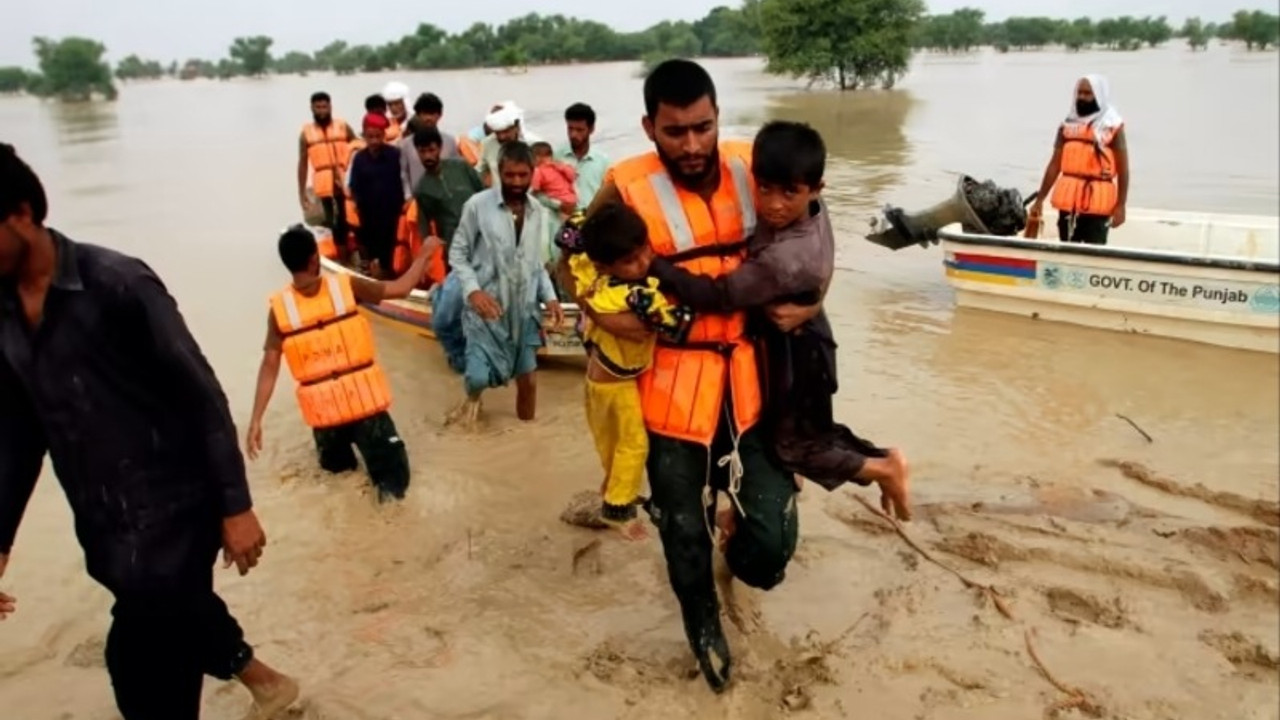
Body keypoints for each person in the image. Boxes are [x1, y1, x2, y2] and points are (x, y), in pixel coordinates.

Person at [566, 59, 853, 693]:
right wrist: (599, 315)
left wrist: (815, 298)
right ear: (649, 128)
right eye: (675, 132)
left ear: (719, 116)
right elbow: (575, 255)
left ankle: (739, 553)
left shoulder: (759, 165)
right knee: (682, 535)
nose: (692, 145)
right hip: (671, 388)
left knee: (774, 548)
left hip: (753, 382)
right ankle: (703, 627)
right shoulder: (623, 184)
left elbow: (818, 228)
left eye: (702, 127)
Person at [0, 144, 298, 719]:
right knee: (173, 620)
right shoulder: (4, 316)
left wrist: (236, 506)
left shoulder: (117, 284)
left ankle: (265, 684)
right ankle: (267, 684)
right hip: (106, 520)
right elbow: (17, 433)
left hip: (178, 507)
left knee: (139, 659)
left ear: (20, 214)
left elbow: (202, 394)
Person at [646, 121, 911, 508]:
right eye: (764, 188)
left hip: (800, 352)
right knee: (812, 430)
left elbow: (717, 294)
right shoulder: (814, 208)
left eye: (789, 193)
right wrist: (817, 300)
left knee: (794, 448)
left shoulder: (784, 260)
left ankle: (883, 469)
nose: (773, 204)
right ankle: (883, 460)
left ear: (816, 188)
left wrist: (654, 264)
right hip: (808, 332)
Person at [246, 226, 431, 502]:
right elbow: (401, 288)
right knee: (395, 487)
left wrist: (256, 419)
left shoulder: (280, 310)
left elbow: (269, 366)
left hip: (326, 420)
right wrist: (425, 254)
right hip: (365, 407)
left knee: (339, 486)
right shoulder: (346, 285)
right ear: (314, 259)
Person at [559, 205, 693, 539]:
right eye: (631, 260)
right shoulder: (637, 296)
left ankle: (610, 488)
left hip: (596, 384)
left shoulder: (592, 274)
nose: (645, 261)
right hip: (617, 387)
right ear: (607, 264)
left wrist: (581, 228)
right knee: (634, 445)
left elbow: (570, 236)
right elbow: (675, 326)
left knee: (610, 445)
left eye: (645, 250)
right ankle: (617, 509)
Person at [446, 141, 564, 427]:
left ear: (532, 173)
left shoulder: (538, 212)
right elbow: (457, 253)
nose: (516, 182)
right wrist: (473, 291)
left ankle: (528, 435)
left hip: (523, 311)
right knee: (476, 377)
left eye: (522, 175)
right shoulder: (477, 206)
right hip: (487, 308)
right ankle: (472, 401)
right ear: (499, 171)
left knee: (529, 380)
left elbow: (534, 262)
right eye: (510, 175)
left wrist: (550, 297)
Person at [1029, 74, 1129, 245]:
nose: (1082, 97)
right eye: (1079, 93)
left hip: (1098, 203)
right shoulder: (1067, 126)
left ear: (1098, 96)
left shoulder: (1112, 126)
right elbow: (1055, 165)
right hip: (1069, 204)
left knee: (1094, 253)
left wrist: (1120, 205)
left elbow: (1123, 169)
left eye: (1088, 93)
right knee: (1067, 249)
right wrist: (1040, 199)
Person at [412, 127, 484, 267]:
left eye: (431, 150)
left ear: (439, 148)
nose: (428, 156)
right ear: (417, 153)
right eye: (422, 151)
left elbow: (484, 195)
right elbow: (424, 227)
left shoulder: (461, 167)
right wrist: (427, 259)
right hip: (453, 247)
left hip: (481, 236)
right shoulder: (422, 189)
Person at [348, 112, 404, 277]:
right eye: (370, 136)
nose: (374, 141)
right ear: (364, 136)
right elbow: (354, 186)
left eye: (378, 136)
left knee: (393, 250)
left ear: (384, 135)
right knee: (371, 250)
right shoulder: (359, 158)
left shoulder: (395, 155)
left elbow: (403, 181)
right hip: (369, 215)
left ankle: (393, 277)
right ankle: (375, 277)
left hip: (392, 213)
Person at [297, 91, 356, 242]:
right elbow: (303, 164)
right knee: (332, 222)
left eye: (325, 107)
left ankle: (354, 248)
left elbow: (357, 147)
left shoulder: (343, 126)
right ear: (311, 108)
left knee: (351, 217)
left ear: (330, 107)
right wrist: (302, 192)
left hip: (346, 180)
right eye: (318, 107)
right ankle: (338, 250)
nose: (322, 111)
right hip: (324, 185)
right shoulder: (306, 133)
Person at [400, 92, 461, 197]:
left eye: (432, 114)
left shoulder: (449, 141)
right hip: (417, 200)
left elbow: (455, 171)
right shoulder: (406, 144)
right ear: (418, 115)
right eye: (424, 114)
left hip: (444, 198)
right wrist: (408, 196)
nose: (428, 118)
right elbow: (404, 174)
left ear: (439, 115)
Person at [475, 102, 541, 187]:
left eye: (506, 131)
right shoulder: (488, 143)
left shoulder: (535, 144)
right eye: (498, 133)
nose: (502, 137)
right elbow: (479, 171)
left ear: (517, 126)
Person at [557, 102, 609, 210]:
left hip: (591, 223)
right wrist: (557, 205)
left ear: (591, 129)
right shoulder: (556, 157)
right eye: (570, 129)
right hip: (560, 222)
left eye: (579, 130)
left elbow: (608, 199)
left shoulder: (603, 163)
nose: (573, 135)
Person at [530, 141, 578, 218]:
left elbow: (535, 188)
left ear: (537, 157)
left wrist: (529, 196)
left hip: (560, 202)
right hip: (573, 199)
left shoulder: (538, 171)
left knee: (566, 226)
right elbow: (573, 176)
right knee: (576, 223)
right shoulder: (559, 166)